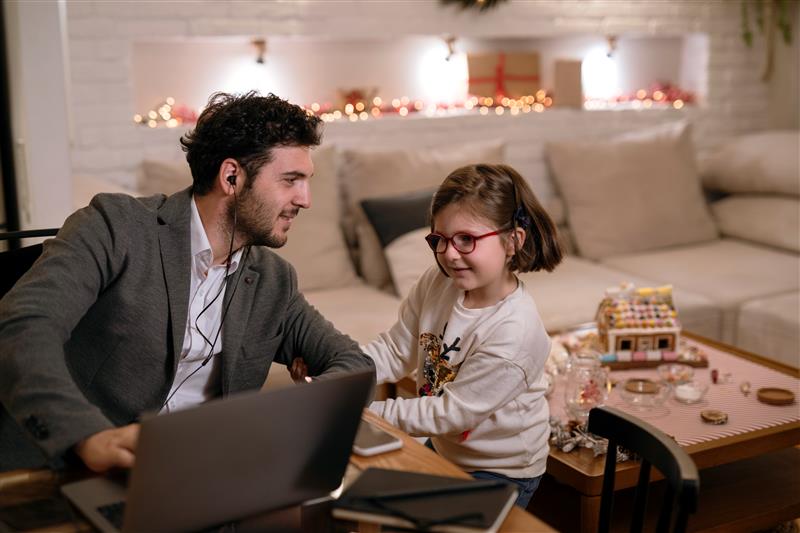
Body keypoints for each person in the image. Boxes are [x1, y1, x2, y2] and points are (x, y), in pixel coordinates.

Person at [0, 91, 375, 473]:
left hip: (198, 476)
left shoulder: (273, 280)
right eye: (291, 180)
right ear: (232, 176)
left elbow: (354, 363)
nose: (306, 199)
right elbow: (23, 326)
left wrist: (310, 401)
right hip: (74, 470)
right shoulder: (116, 226)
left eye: (307, 181)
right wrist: (87, 436)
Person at [363, 163, 563, 507]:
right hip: (448, 447)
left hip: (500, 470)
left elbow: (451, 413)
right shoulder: (437, 281)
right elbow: (396, 349)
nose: (450, 254)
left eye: (467, 239)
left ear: (513, 240)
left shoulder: (515, 332)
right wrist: (342, 371)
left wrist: (363, 412)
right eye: (439, 240)